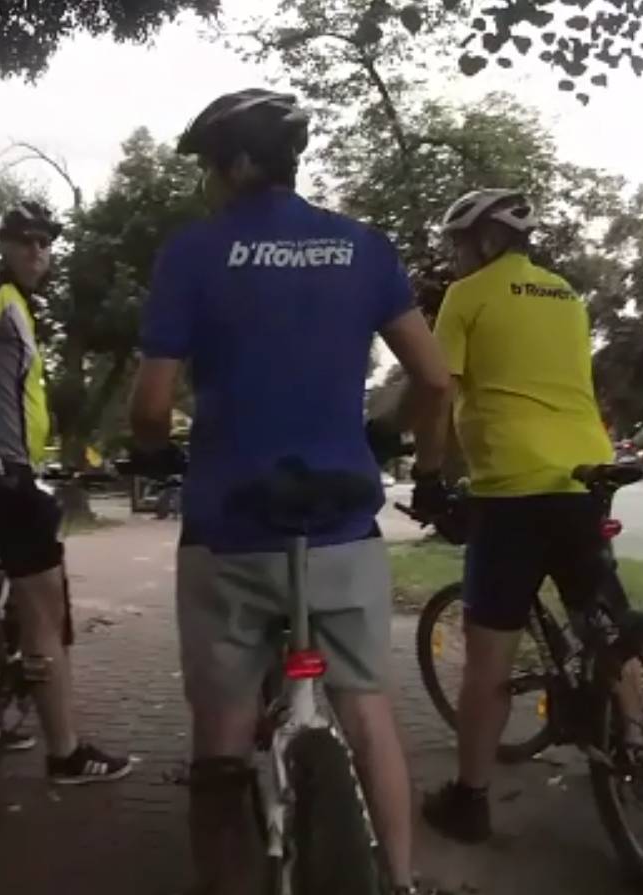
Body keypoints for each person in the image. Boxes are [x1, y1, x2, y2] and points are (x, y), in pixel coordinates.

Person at [129, 88, 452, 895]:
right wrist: (385, 437)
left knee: (222, 726)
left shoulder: (192, 252)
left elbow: (151, 404)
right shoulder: (363, 247)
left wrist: (155, 454)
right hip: (340, 522)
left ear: (237, 164)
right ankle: (400, 879)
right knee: (366, 706)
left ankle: (225, 877)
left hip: (229, 526)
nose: (207, 182)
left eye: (210, 166)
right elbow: (435, 380)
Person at [411, 189, 616, 843]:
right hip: (585, 473)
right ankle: (629, 757)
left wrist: (427, 475)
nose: (453, 256)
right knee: (606, 628)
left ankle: (469, 799)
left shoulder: (467, 296)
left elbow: (437, 390)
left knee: (488, 660)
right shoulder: (566, 294)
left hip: (512, 489)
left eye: (458, 243)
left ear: (487, 241)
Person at [0, 199, 134, 783]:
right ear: (4, 245)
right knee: (45, 612)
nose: (36, 252)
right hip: (6, 474)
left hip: (5, 472)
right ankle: (66, 752)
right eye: (24, 240)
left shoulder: (19, 307)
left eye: (45, 243)